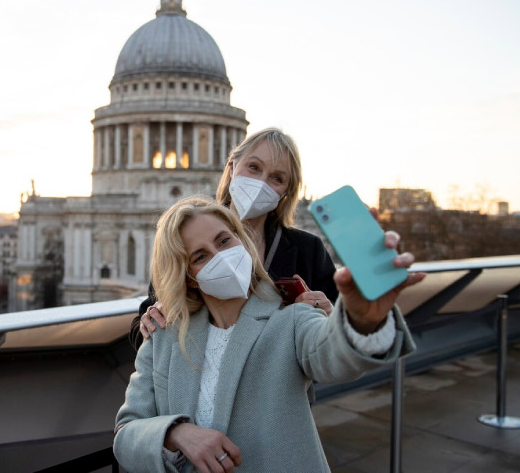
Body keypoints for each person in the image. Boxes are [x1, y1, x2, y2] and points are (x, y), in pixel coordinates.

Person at [114, 195, 423, 472]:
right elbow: (126, 433)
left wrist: (362, 318)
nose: (219, 256)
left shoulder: (292, 318)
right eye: (200, 256)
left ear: (241, 240)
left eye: (224, 241)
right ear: (190, 277)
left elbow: (333, 356)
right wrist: (176, 433)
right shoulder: (165, 336)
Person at [129, 127, 402, 350]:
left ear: (285, 192)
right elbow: (144, 331)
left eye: (277, 178)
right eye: (254, 167)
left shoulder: (307, 250)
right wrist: (152, 318)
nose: (261, 183)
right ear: (233, 166)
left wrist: (331, 314)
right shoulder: (184, 238)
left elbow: (342, 342)